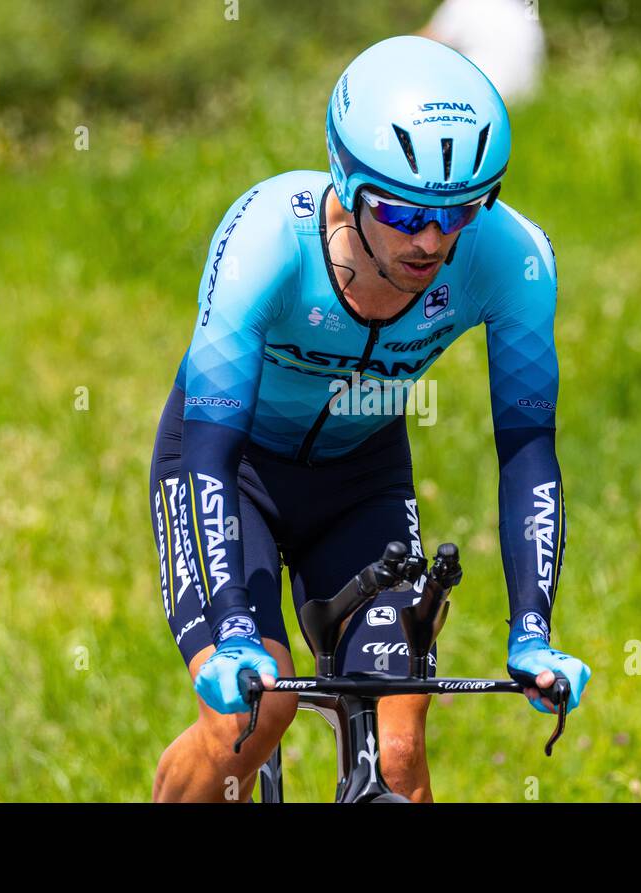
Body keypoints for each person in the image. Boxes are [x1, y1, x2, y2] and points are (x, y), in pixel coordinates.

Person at [148, 35, 590, 803]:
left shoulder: (512, 258)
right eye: (403, 210)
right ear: (346, 181)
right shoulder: (265, 240)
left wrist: (532, 630)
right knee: (252, 720)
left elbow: (527, 453)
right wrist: (233, 629)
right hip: (233, 467)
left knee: (399, 747)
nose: (431, 239)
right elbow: (210, 457)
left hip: (362, 479)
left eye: (459, 210)